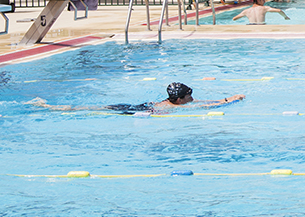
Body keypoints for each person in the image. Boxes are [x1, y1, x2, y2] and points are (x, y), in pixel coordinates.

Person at [30, 82, 245, 115]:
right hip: (136, 111)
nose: (193, 98)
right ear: (179, 99)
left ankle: (51, 106)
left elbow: (207, 103)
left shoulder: (176, 102)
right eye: (189, 96)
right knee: (93, 109)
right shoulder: (169, 109)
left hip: (139, 107)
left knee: (96, 107)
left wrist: (229, 99)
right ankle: (52, 107)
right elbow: (203, 106)